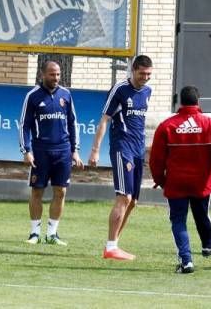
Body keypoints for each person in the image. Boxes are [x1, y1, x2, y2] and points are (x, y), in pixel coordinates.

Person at [149, 86, 211, 273]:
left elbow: (156, 159)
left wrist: (160, 180)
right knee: (202, 214)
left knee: (178, 221)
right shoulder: (210, 125)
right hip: (201, 182)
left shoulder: (167, 126)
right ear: (198, 101)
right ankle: (208, 245)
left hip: (176, 183)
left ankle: (186, 261)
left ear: (180, 102)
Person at [88, 54, 153, 261]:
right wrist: (95, 150)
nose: (145, 78)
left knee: (132, 201)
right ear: (133, 70)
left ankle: (114, 243)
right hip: (121, 148)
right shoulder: (120, 89)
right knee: (123, 197)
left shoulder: (147, 92)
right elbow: (105, 120)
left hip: (138, 151)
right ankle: (111, 246)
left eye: (149, 74)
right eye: (142, 73)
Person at [19, 60, 83, 246]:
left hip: (63, 151)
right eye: (51, 74)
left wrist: (75, 151)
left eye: (57, 74)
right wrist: (26, 150)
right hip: (40, 151)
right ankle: (34, 233)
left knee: (61, 191)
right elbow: (24, 125)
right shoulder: (32, 96)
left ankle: (52, 234)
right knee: (37, 191)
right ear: (42, 74)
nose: (55, 78)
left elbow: (73, 123)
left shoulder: (66, 95)